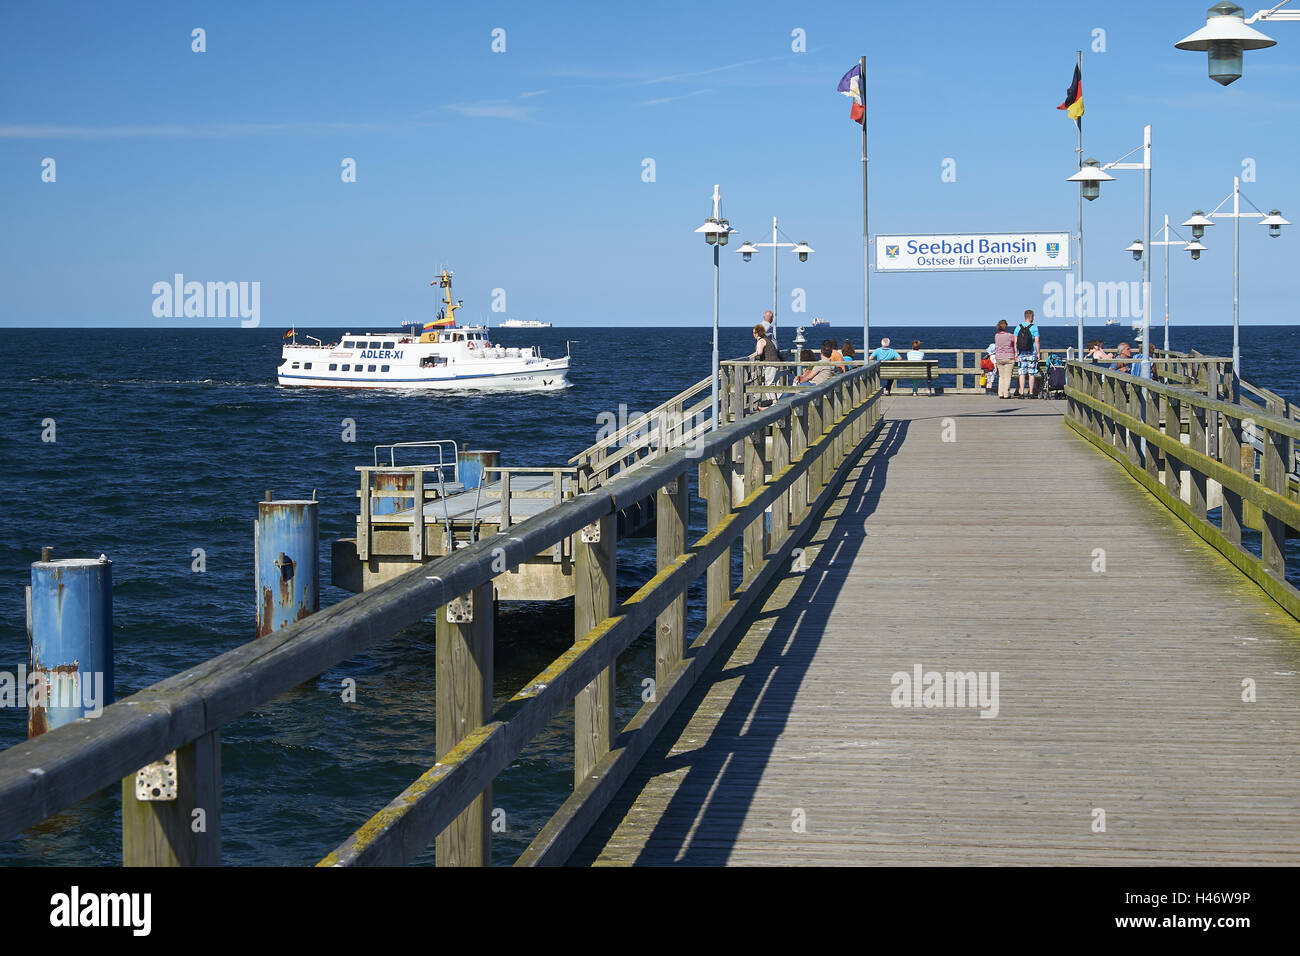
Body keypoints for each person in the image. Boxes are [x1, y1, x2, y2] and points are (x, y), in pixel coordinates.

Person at [750, 323, 780, 408]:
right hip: (775, 363)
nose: (753, 335)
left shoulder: (761, 341)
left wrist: (755, 355)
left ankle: (773, 402)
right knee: (772, 382)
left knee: (769, 383)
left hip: (770, 364)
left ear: (757, 333)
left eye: (754, 333)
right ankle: (773, 401)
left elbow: (759, 352)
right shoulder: (766, 339)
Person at [1014, 309, 1040, 397]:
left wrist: (1016, 353)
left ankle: (1021, 392)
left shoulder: (1018, 327)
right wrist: (1038, 353)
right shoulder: (1034, 327)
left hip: (1021, 353)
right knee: (1031, 373)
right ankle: (1031, 392)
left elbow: (1015, 341)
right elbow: (1037, 341)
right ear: (1031, 317)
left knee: (1022, 373)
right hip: (1031, 353)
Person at [994, 319, 1016, 399]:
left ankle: (1000, 393)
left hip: (999, 357)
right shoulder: (1010, 335)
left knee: (1001, 376)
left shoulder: (996, 335)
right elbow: (1015, 343)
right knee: (1007, 376)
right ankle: (1006, 393)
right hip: (1009, 357)